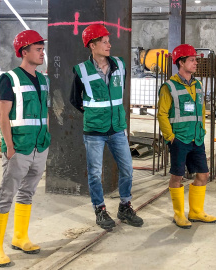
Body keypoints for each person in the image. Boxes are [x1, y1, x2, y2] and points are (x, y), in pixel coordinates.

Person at [70, 24, 143, 230]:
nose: (109, 44)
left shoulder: (119, 64)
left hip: (117, 127)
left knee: (127, 169)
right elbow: (75, 99)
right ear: (92, 45)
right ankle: (100, 209)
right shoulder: (81, 70)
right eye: (104, 41)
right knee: (94, 172)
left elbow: (120, 92)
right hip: (94, 130)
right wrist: (94, 113)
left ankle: (125, 206)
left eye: (108, 41)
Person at [0, 30, 50, 267]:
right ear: (24, 52)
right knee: (6, 196)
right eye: (38, 49)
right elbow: (3, 115)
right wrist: (9, 147)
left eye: (42, 49)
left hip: (40, 145)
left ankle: (20, 237)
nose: (42, 52)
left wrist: (44, 142)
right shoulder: (10, 78)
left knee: (27, 193)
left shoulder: (43, 79)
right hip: (19, 147)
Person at [157, 44, 216, 229]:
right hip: (180, 139)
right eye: (191, 59)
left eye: (195, 59)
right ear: (181, 62)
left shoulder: (198, 85)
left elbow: (202, 109)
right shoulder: (169, 87)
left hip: (196, 138)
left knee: (203, 174)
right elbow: (162, 114)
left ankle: (196, 212)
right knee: (177, 177)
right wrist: (170, 137)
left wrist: (202, 129)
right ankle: (178, 215)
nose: (195, 63)